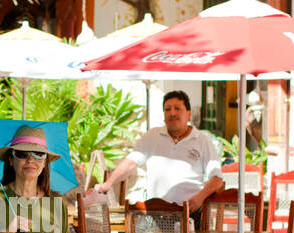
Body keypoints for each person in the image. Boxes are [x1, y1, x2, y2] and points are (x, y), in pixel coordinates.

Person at [93, 89, 224, 210]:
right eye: (167, 109)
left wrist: (200, 197)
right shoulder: (152, 136)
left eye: (177, 108)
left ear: (189, 114)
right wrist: (107, 184)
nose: (172, 113)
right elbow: (130, 163)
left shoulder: (202, 140)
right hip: (154, 212)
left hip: (189, 212)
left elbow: (217, 179)